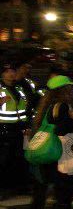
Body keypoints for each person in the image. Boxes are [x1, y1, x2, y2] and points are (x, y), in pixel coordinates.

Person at [23, 75, 73, 209]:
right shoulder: (62, 107)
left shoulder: (46, 107)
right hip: (60, 155)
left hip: (48, 156)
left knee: (56, 192)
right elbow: (62, 130)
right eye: (71, 87)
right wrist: (72, 117)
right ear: (64, 90)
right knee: (66, 192)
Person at [1, 62, 33, 197]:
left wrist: (26, 126)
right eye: (8, 71)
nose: (11, 73)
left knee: (19, 158)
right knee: (4, 159)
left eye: (13, 70)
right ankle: (3, 189)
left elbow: (24, 108)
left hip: (18, 129)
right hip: (3, 129)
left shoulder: (19, 87)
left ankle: (19, 187)